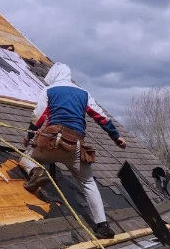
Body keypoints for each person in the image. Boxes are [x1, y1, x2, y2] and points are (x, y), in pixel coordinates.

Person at [19, 63, 126, 238]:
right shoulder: (84, 93)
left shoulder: (50, 91)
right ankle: (102, 226)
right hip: (74, 145)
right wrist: (116, 137)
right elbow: (101, 117)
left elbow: (39, 116)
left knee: (26, 157)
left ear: (54, 75)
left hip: (51, 143)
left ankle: (38, 171)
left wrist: (29, 138)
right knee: (88, 183)